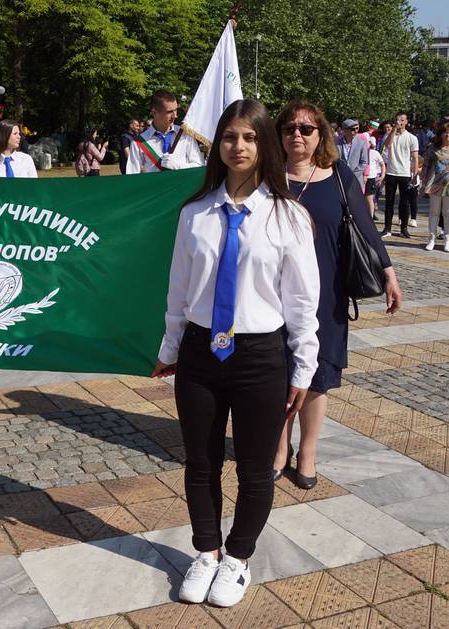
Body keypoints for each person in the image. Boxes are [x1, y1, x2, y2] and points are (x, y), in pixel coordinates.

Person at [153, 99, 319, 608]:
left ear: (264, 144)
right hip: (201, 355)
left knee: (254, 469)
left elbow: (301, 301)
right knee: (200, 463)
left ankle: (238, 558)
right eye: (229, 136)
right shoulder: (195, 213)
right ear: (217, 145)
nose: (238, 146)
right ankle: (206, 551)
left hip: (260, 357)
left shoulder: (289, 216)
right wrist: (170, 347)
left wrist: (303, 367)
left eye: (249, 137)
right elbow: (178, 290)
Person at [273, 101, 400, 489]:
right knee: (277, 374)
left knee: (318, 376)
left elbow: (365, 226)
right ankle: (279, 448)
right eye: (289, 128)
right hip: (273, 294)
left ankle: (307, 452)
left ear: (321, 134)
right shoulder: (267, 176)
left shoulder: (339, 175)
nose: (297, 135)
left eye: (306, 129)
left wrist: (389, 272)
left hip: (327, 294)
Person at [126, 90, 205, 173]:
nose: (175, 116)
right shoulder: (138, 142)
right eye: (169, 112)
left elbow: (200, 166)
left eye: (176, 110)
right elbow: (132, 176)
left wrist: (178, 166)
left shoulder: (185, 134)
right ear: (154, 112)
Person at [421, 122, 449, 252]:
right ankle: (431, 238)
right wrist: (423, 183)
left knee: (448, 213)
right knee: (434, 212)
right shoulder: (433, 148)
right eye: (445, 132)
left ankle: (448, 240)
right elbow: (425, 166)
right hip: (435, 184)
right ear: (440, 134)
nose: (447, 135)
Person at [380, 114, 419, 238]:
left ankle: (404, 228)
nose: (400, 122)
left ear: (406, 121)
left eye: (402, 120)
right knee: (389, 202)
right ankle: (387, 228)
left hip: (405, 173)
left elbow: (415, 158)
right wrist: (394, 130)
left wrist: (415, 174)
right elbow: (386, 145)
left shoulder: (412, 138)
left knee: (404, 202)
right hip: (391, 172)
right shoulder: (391, 134)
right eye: (397, 120)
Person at [336, 119, 367, 188]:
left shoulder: (361, 143)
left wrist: (352, 175)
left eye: (357, 128)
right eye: (352, 129)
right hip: (340, 179)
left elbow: (364, 163)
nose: (356, 131)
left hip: (355, 179)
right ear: (345, 130)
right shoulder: (336, 142)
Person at [365, 144, 385, 219]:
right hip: (361, 177)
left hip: (371, 177)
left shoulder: (375, 153)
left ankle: (370, 217)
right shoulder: (360, 151)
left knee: (369, 198)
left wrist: (382, 176)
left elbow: (382, 164)